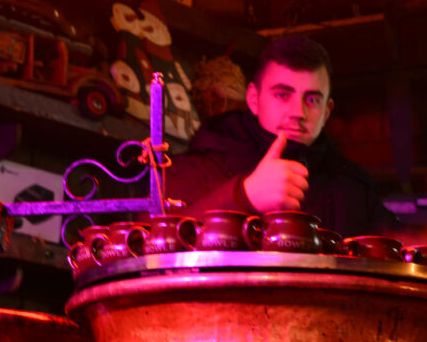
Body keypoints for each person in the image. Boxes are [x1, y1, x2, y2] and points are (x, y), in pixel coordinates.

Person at [163, 34, 394, 236]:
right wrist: (244, 196)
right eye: (283, 95)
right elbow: (148, 240)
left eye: (312, 100)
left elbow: (398, 246)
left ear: (327, 112)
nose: (298, 113)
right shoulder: (203, 163)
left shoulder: (353, 187)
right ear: (253, 99)